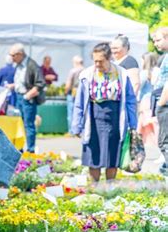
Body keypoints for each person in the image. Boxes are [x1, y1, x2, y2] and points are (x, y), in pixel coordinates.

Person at [71, 43, 137, 182]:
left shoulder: (121, 74)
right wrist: (76, 125)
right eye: (95, 61)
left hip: (114, 118)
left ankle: (109, 187)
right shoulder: (87, 75)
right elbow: (79, 103)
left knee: (112, 155)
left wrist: (133, 124)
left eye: (100, 61)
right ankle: (95, 187)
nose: (97, 64)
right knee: (93, 155)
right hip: (93, 118)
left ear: (109, 58)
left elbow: (130, 100)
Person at [8, 43, 45, 153]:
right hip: (19, 97)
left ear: (20, 54)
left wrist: (27, 96)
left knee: (29, 125)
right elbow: (22, 82)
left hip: (27, 99)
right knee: (19, 124)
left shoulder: (32, 65)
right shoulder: (19, 65)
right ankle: (20, 150)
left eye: (13, 55)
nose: (11, 58)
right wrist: (12, 86)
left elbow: (40, 83)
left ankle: (30, 150)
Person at [152, 27, 168, 175]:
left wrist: (160, 104)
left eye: (158, 40)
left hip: (165, 102)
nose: (155, 43)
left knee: (165, 143)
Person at [137, 52, 160, 146]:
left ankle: (140, 144)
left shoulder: (144, 73)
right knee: (155, 123)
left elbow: (139, 86)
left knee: (142, 123)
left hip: (145, 100)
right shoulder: (158, 70)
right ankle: (158, 142)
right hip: (155, 98)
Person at [64, 55, 84, 133]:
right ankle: (80, 130)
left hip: (73, 92)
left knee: (71, 112)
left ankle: (72, 131)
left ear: (75, 62)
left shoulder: (73, 71)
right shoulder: (86, 70)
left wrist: (66, 92)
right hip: (82, 92)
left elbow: (68, 84)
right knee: (81, 111)